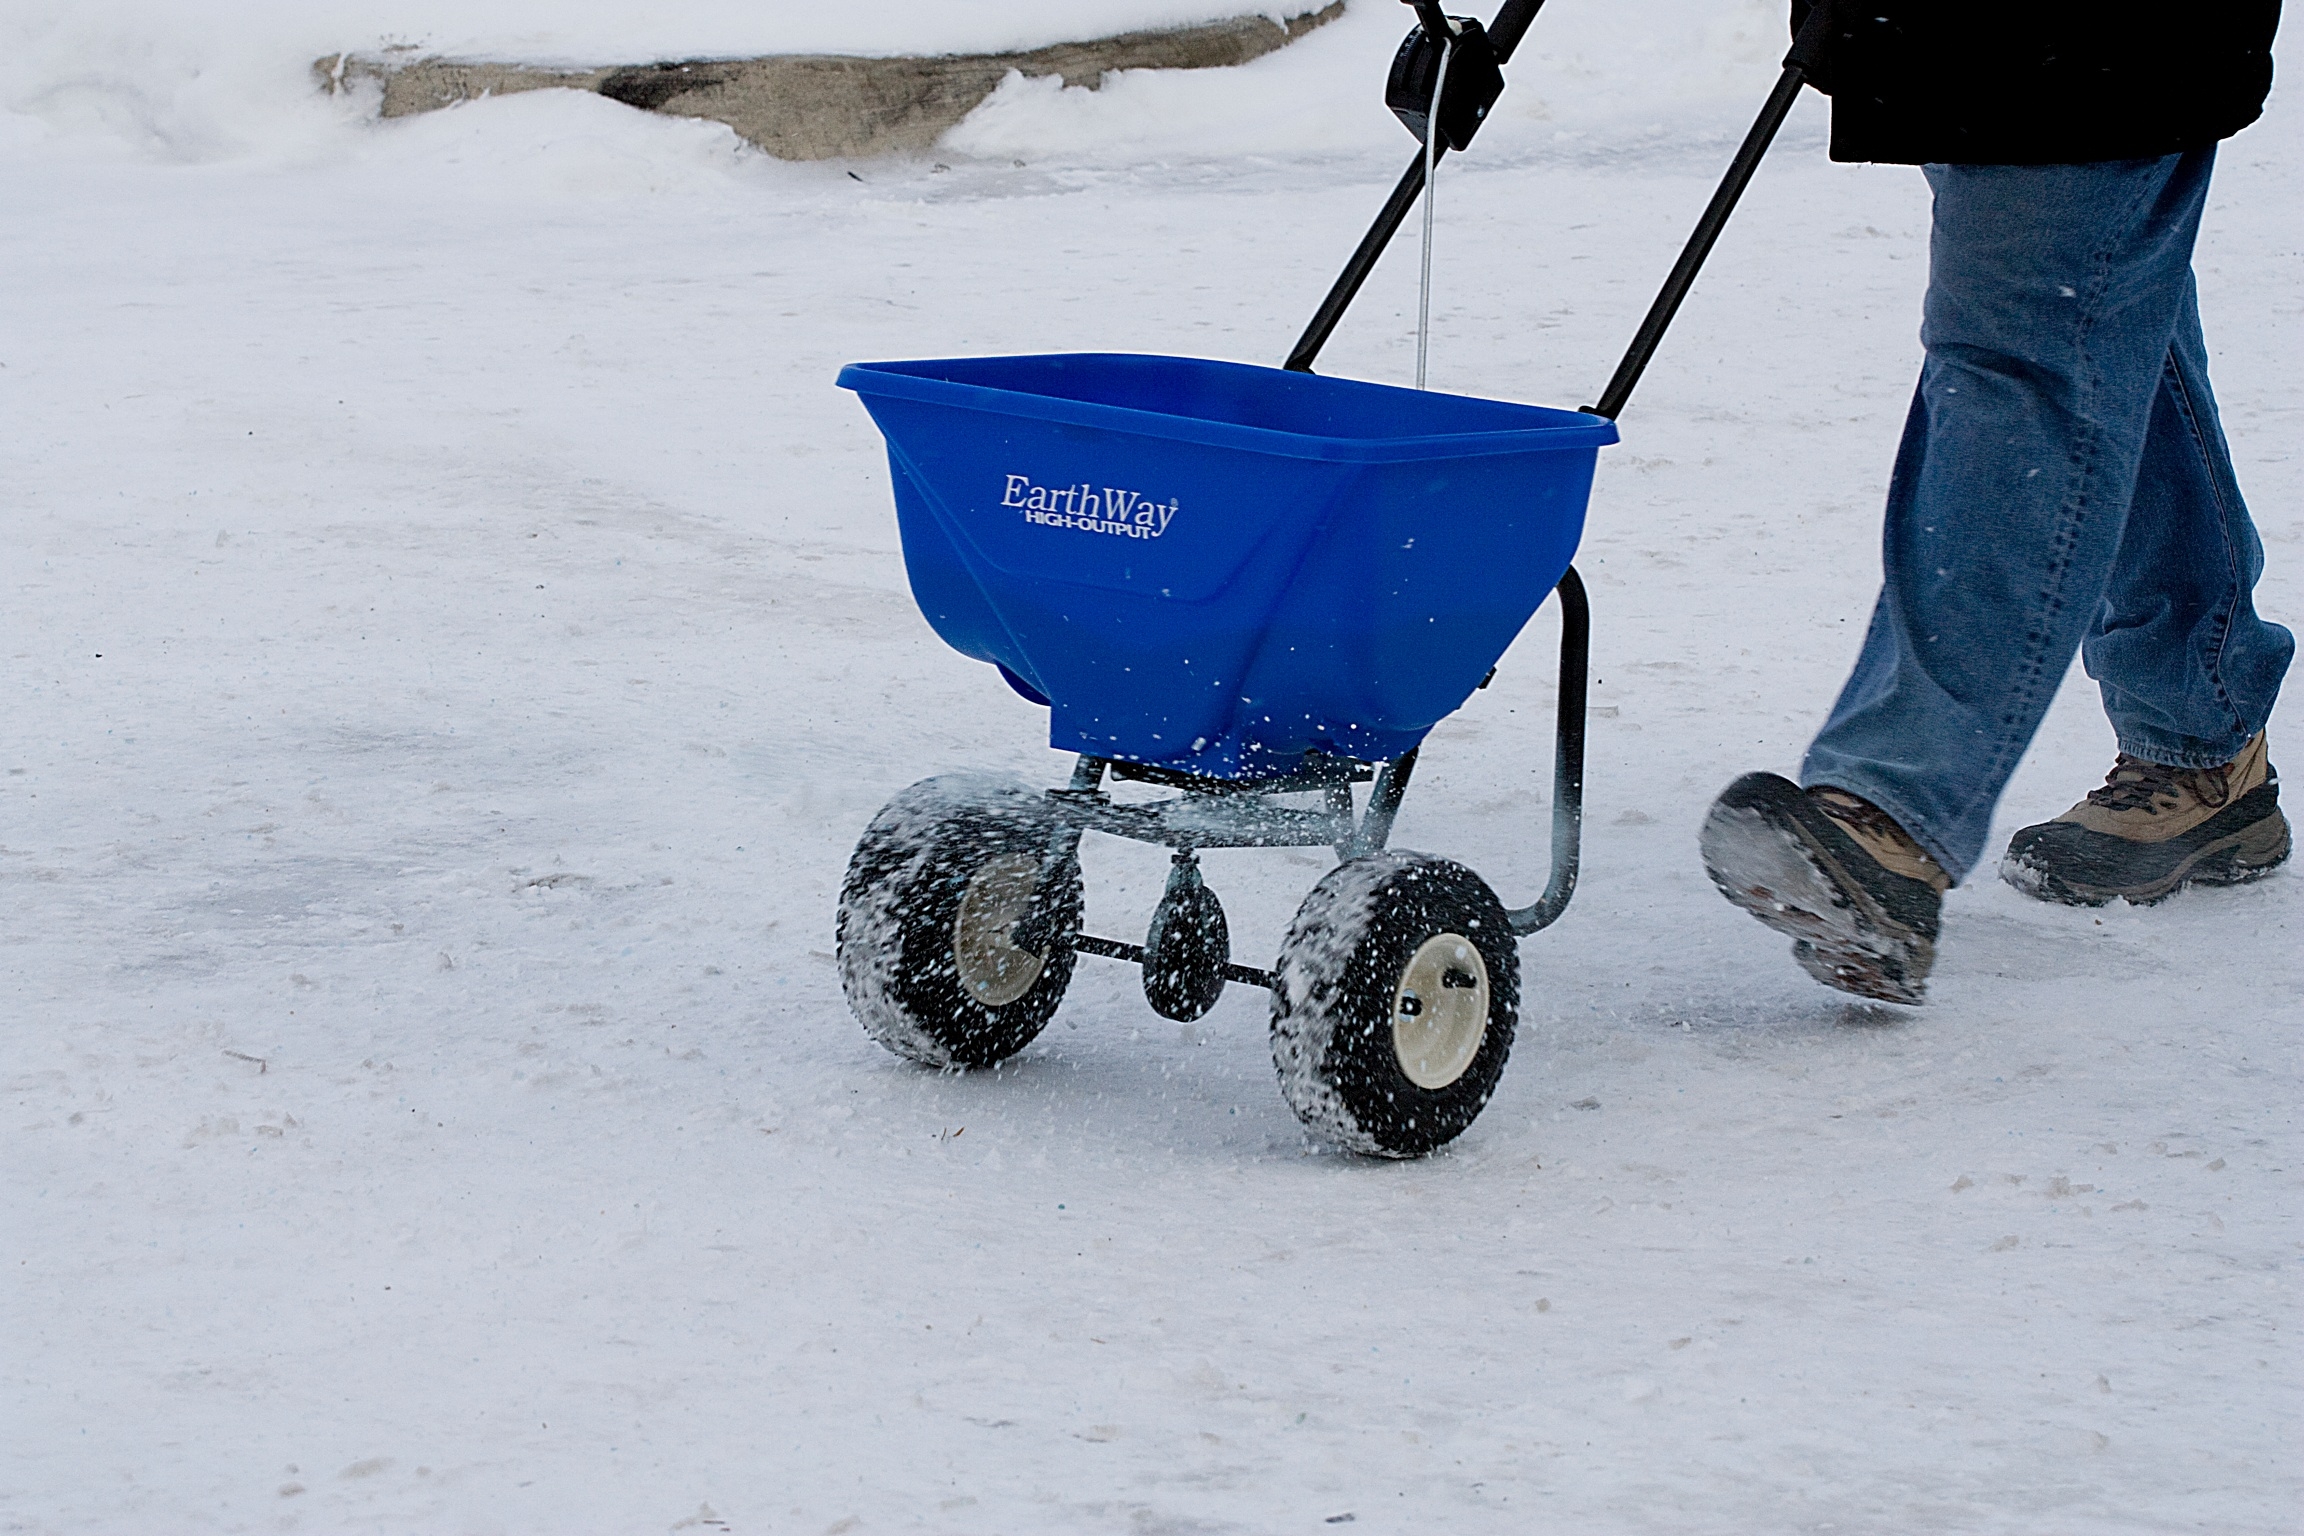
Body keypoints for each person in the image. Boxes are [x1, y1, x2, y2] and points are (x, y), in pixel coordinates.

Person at [1699, 1, 2292, 1004]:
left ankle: (1893, 809)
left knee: (2026, 348)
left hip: (2081, 30)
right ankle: (2201, 723)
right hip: (1971, 27)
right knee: (2094, 289)